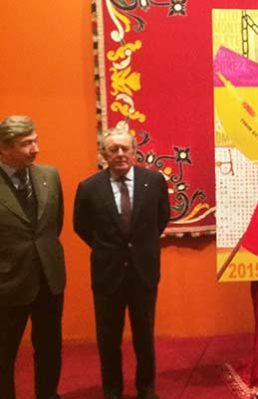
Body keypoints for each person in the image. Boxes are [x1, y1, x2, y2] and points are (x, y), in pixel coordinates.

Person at [74, 127, 170, 399]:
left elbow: (161, 219)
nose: (120, 154)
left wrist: (139, 248)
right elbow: (81, 226)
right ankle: (112, 390)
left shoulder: (154, 182)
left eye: (125, 148)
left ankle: (146, 388)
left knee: (144, 336)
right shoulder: (89, 188)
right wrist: (108, 250)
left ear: (134, 151)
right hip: (107, 274)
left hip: (144, 272)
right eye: (113, 149)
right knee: (108, 339)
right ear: (104, 153)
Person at [0, 115, 66, 399]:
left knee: (50, 347)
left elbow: (54, 225)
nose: (35, 149)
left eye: (35, 140)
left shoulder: (48, 175)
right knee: (4, 355)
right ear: (4, 148)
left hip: (48, 279)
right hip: (7, 283)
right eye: (26, 144)